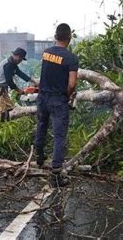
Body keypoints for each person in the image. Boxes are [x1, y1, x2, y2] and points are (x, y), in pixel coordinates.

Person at [34, 23, 79, 187]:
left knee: (41, 125)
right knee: (59, 135)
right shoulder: (71, 58)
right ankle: (56, 173)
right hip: (58, 99)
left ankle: (39, 157)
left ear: (55, 36)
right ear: (69, 37)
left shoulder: (46, 53)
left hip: (43, 96)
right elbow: (72, 83)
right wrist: (67, 96)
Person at [0, 47, 38, 122]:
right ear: (17, 56)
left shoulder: (12, 64)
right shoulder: (8, 64)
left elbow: (20, 73)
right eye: (20, 59)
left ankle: (4, 124)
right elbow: (10, 81)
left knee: (8, 108)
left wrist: (33, 81)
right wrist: (19, 91)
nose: (20, 61)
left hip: (2, 89)